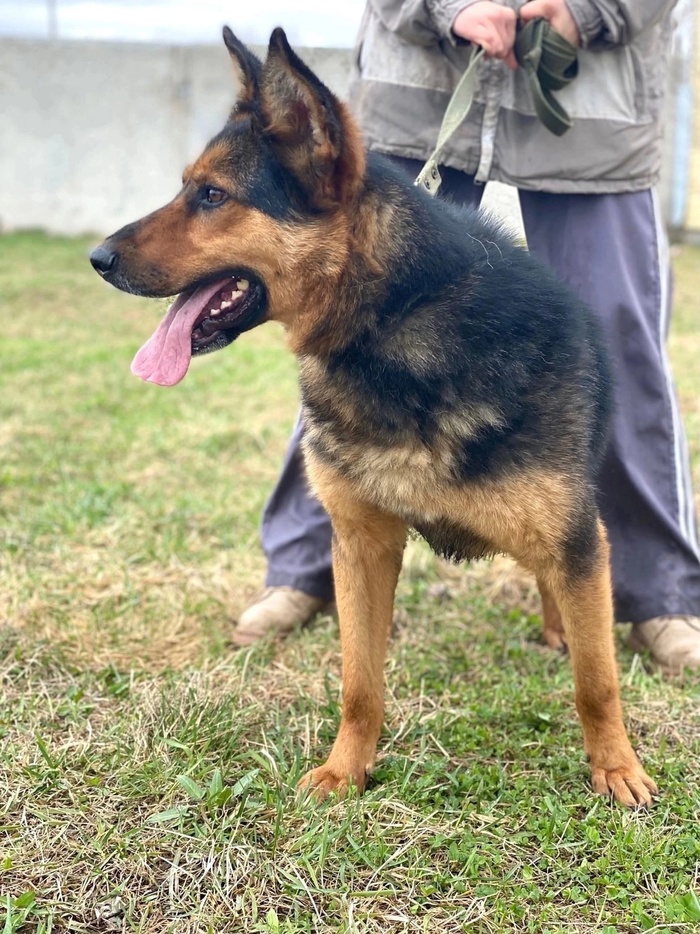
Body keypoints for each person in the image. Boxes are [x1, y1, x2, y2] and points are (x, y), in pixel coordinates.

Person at [234, 0, 700, 672]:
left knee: (622, 341)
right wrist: (450, 8)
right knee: (340, 326)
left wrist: (588, 11)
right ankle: (303, 566)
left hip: (595, 107)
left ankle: (661, 590)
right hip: (418, 92)